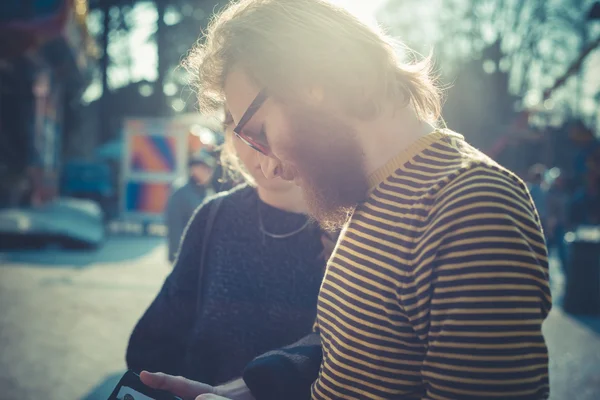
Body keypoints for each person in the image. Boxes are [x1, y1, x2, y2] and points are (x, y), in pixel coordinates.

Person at [142, 0, 552, 399]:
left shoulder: (471, 205)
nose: (265, 166)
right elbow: (351, 362)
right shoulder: (368, 197)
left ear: (313, 85)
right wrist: (247, 390)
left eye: (258, 132)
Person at [126, 109, 332, 389]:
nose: (262, 142)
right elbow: (152, 343)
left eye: (272, 121)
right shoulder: (214, 216)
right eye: (243, 126)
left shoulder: (353, 226)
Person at [166, 149, 216, 262]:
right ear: (193, 169)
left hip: (204, 255)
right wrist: (177, 255)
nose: (208, 172)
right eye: (204, 169)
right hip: (186, 255)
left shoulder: (209, 192)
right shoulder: (181, 193)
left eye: (210, 169)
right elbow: (174, 227)